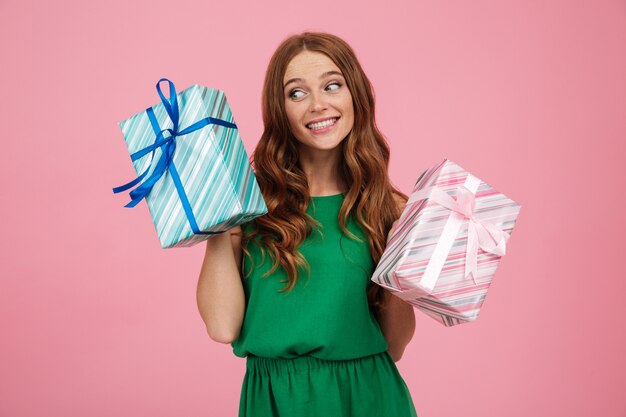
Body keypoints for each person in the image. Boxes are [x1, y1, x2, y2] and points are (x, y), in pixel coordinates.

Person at [196, 31, 418, 417]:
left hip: (368, 398)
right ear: (279, 110)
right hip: (276, 400)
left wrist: (404, 252)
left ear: (355, 97)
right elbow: (221, 326)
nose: (318, 105)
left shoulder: (389, 207)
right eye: (296, 93)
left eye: (332, 86)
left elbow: (394, 345)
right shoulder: (247, 204)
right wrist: (218, 221)